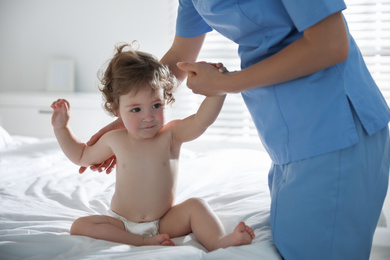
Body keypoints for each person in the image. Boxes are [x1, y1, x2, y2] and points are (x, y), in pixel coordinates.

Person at [82, 1, 390, 260]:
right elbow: (178, 57)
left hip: (332, 126)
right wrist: (128, 118)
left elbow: (331, 43)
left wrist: (222, 85)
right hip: (287, 142)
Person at [51, 43, 255, 250]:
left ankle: (219, 241)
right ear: (116, 109)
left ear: (165, 99)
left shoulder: (172, 135)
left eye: (156, 105)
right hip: (121, 223)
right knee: (80, 225)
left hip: (164, 221)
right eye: (136, 109)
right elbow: (81, 155)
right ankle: (139, 241)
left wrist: (218, 90)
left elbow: (202, 120)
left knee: (197, 206)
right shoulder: (115, 139)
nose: (148, 116)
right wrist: (62, 128)